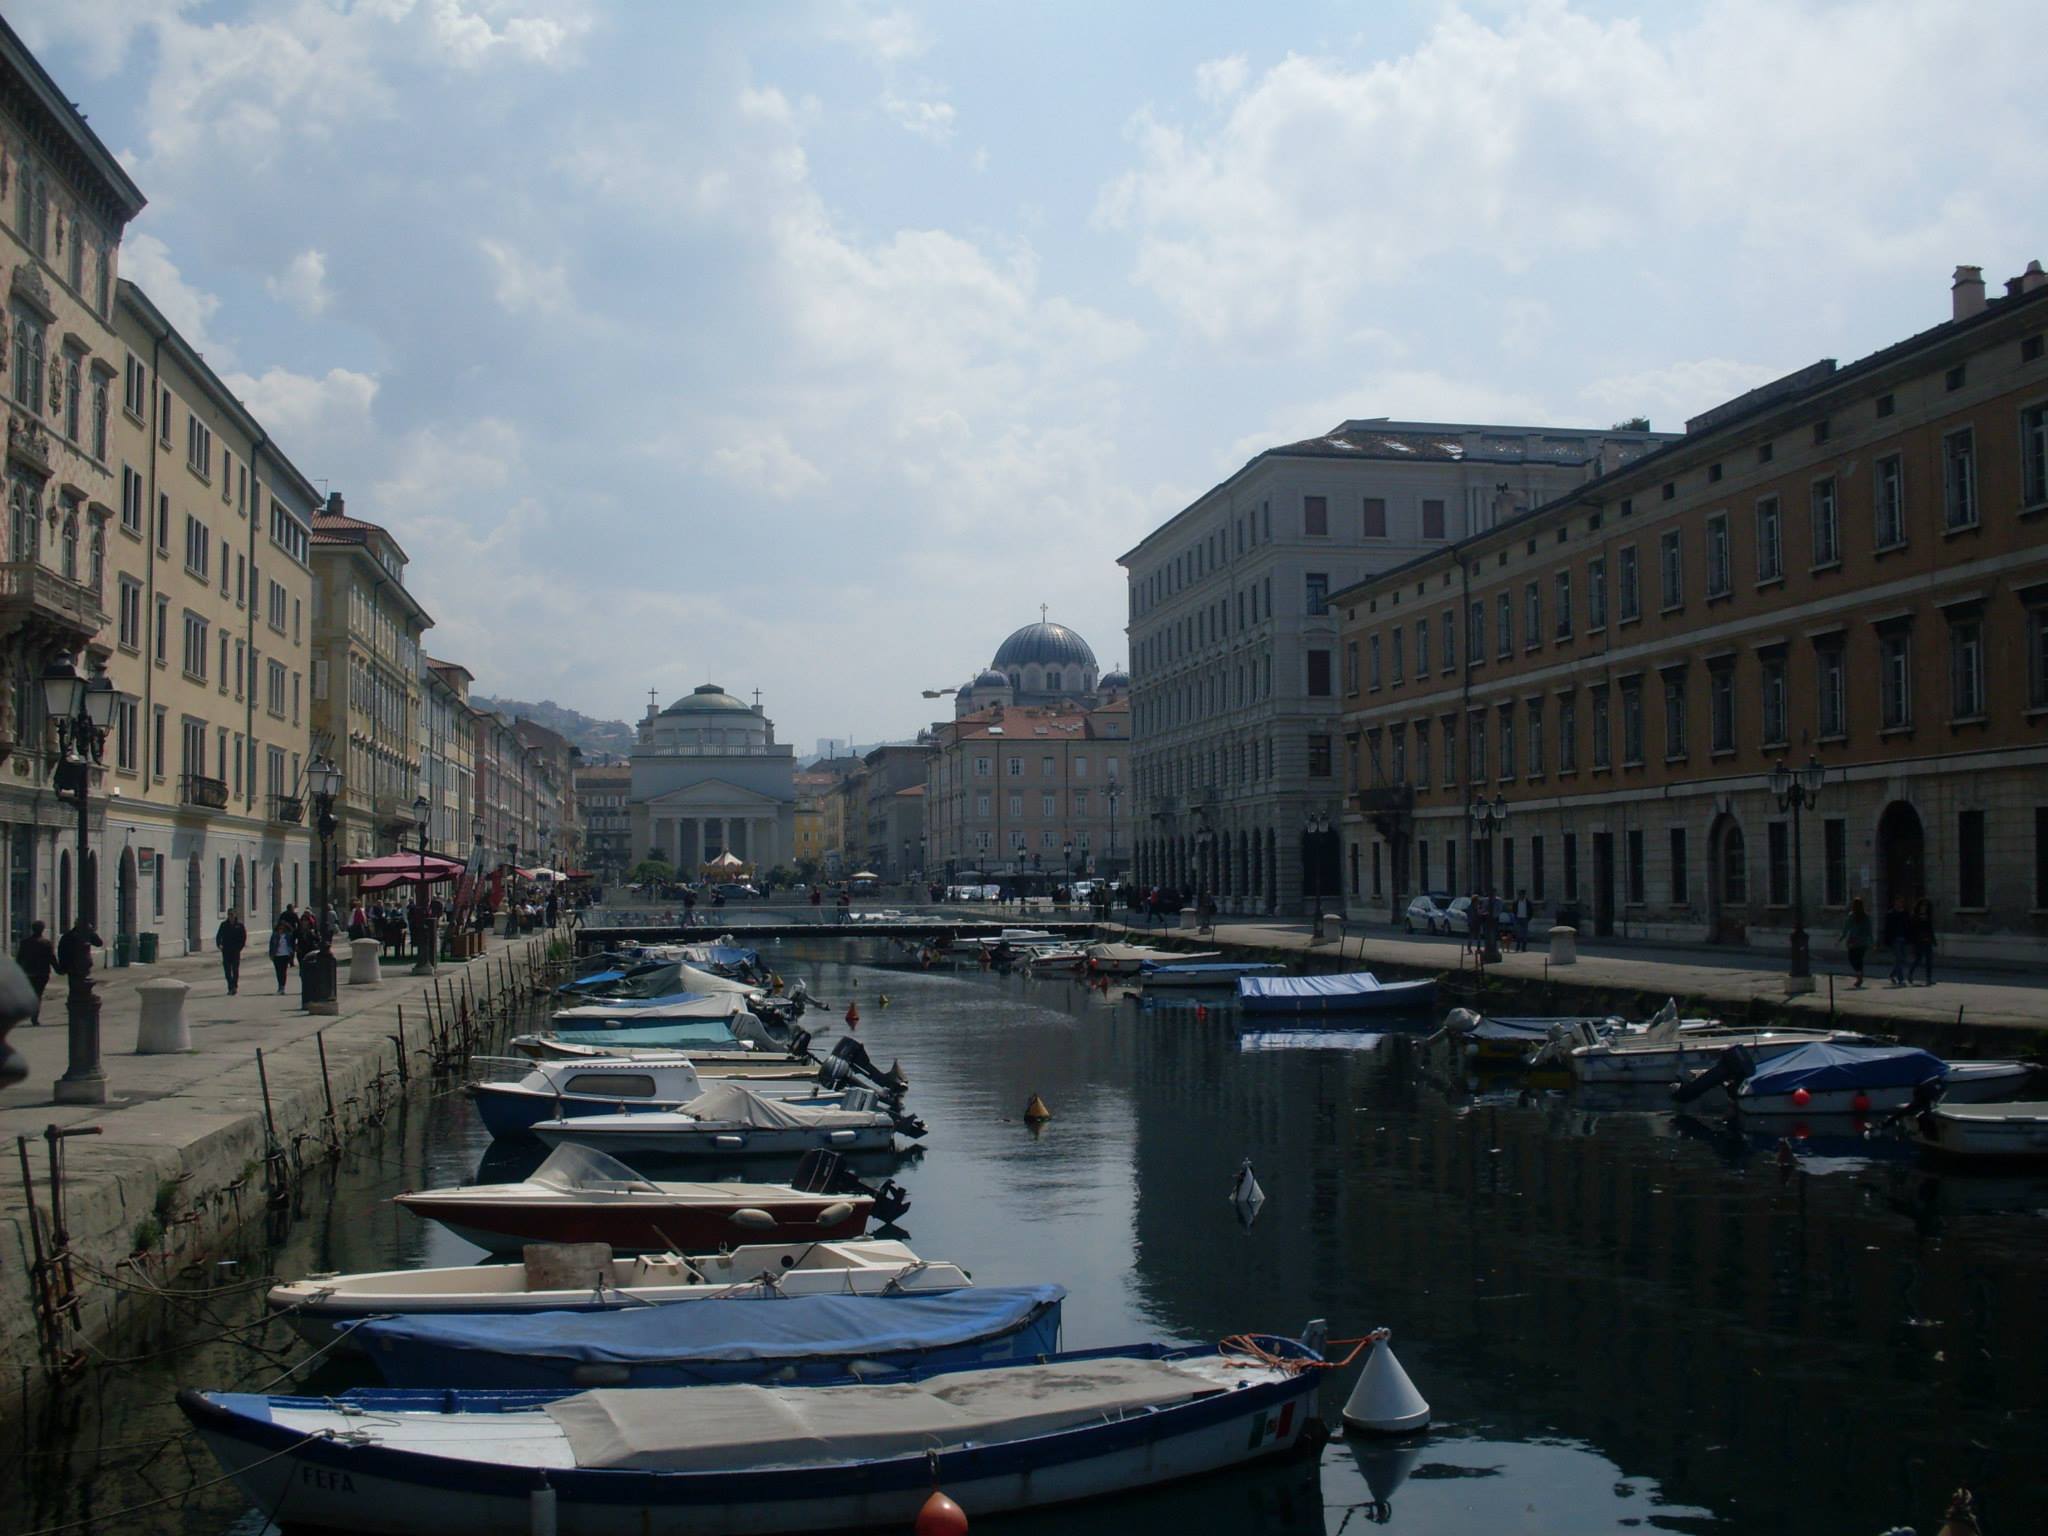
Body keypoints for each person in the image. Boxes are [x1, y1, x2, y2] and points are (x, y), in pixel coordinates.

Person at [15, 919, 55, 1024]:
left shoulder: (25, 943)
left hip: (28, 972)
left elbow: (19, 959)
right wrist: (60, 969)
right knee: (38, 995)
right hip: (42, 973)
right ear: (42, 930)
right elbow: (52, 958)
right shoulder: (46, 943)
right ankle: (34, 1017)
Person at [55, 914, 103, 991]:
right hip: (80, 965)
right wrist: (91, 931)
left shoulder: (67, 935)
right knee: (81, 986)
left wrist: (62, 966)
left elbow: (99, 943)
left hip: (73, 966)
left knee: (75, 986)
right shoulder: (82, 935)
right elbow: (99, 943)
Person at [1838, 897, 1872, 988]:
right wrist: (1872, 942)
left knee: (1852, 959)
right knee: (1859, 959)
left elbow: (1846, 929)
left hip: (1853, 941)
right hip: (1863, 942)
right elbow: (1869, 931)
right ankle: (1859, 975)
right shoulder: (1866, 916)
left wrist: (1840, 939)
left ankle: (1859, 975)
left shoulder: (1851, 916)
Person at [215, 908, 248, 995]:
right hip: (226, 950)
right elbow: (219, 935)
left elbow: (243, 937)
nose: (231, 916)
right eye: (229, 914)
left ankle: (234, 986)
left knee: (235, 970)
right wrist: (219, 944)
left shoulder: (240, 926)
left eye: (232, 914)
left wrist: (239, 947)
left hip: (236, 951)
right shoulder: (224, 925)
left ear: (235, 915)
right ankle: (230, 987)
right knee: (227, 970)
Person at [1882, 896, 1910, 987]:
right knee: (1899, 958)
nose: (1899, 904)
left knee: (1903, 959)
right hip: (1895, 939)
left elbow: (1908, 926)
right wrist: (1887, 941)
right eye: (1898, 902)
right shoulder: (1891, 914)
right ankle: (1901, 979)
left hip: (1903, 938)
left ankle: (1892, 974)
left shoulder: (1905, 913)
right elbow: (1887, 928)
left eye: (1901, 902)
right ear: (1895, 903)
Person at [1909, 896, 1936, 986]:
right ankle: (1910, 974)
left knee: (1929, 960)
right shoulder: (1915, 917)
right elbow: (1913, 930)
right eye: (1922, 906)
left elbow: (1930, 929)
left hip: (1928, 941)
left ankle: (1928, 978)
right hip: (1918, 941)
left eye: (1925, 906)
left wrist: (1933, 940)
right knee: (1918, 959)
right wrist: (1915, 941)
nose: (1924, 908)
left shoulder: (1928, 917)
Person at [269, 913, 297, 993]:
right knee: (278, 971)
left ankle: (282, 986)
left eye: (282, 928)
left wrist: (292, 954)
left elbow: (292, 944)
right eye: (279, 928)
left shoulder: (288, 935)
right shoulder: (275, 935)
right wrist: (271, 954)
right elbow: (271, 945)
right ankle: (280, 985)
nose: (281, 930)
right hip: (277, 955)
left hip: (285, 955)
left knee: (283, 971)